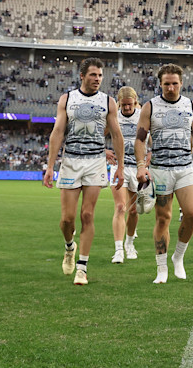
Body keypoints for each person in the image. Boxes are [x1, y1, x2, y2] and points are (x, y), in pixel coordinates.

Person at [43, 57, 125, 286]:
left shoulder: (108, 102)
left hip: (95, 162)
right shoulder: (67, 99)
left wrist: (120, 167)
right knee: (67, 219)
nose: (97, 79)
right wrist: (50, 166)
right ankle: (70, 246)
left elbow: (116, 134)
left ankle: (82, 268)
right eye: (93, 75)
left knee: (87, 215)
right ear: (82, 76)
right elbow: (58, 132)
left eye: (100, 75)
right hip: (70, 162)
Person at [135, 63, 193, 284]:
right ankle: (161, 268)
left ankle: (178, 257)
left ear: (181, 83)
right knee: (163, 218)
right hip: (160, 170)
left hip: (185, 168)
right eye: (166, 84)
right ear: (160, 84)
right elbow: (140, 139)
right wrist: (141, 165)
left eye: (174, 83)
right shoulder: (149, 107)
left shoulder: (191, 106)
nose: (170, 88)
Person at [109, 86, 148, 264]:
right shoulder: (114, 115)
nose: (126, 108)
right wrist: (104, 151)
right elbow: (96, 135)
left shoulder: (142, 115)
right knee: (120, 208)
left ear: (135, 101)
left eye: (129, 105)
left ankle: (129, 243)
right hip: (119, 167)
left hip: (137, 168)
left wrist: (146, 163)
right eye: (123, 105)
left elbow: (153, 142)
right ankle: (118, 250)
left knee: (133, 210)